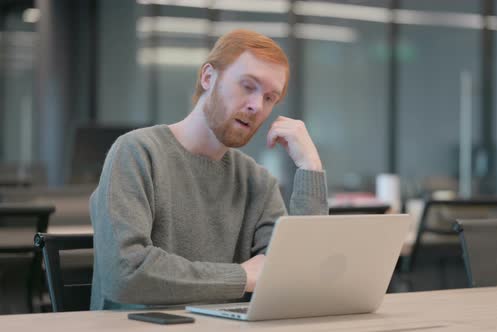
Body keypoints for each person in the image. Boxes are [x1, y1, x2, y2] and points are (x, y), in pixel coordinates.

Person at [89, 29, 328, 310]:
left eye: (269, 98)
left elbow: (296, 277)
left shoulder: (258, 181)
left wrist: (310, 167)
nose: (256, 106)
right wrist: (242, 276)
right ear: (208, 77)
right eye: (248, 86)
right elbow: (125, 275)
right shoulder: (137, 152)